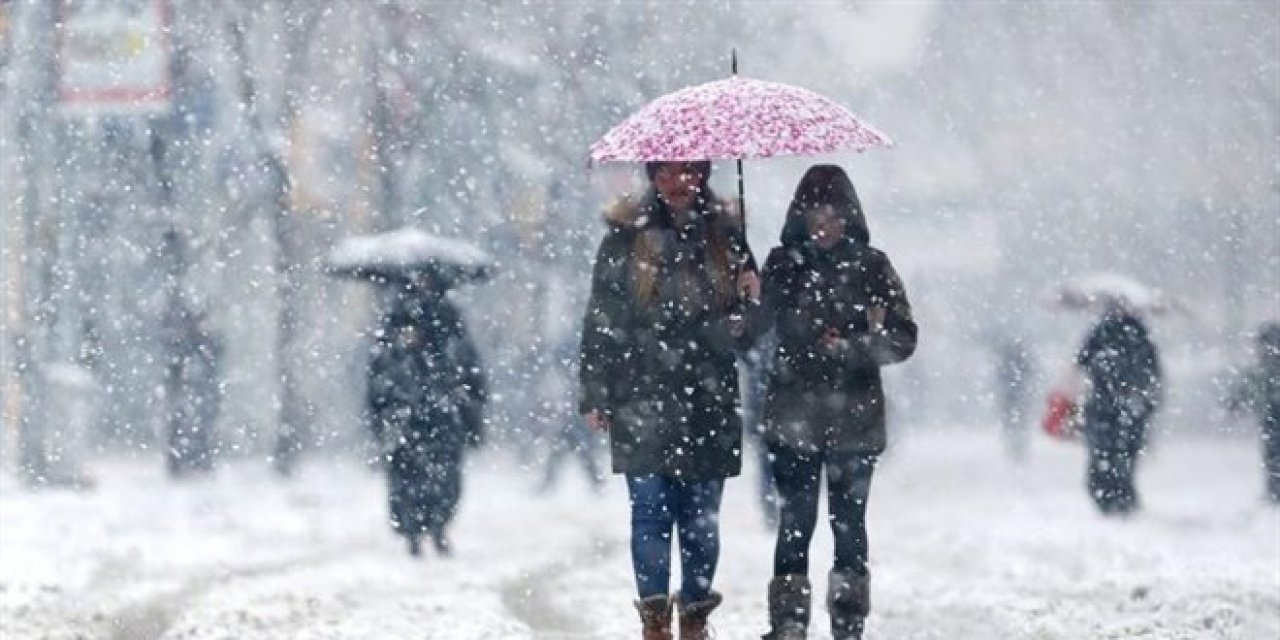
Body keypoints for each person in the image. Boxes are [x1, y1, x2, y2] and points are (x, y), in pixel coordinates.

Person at [579, 160, 758, 640]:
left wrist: (750, 302)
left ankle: (695, 613)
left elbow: (751, 330)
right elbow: (601, 320)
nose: (679, 183)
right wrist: (595, 390)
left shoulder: (728, 238)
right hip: (642, 393)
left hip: (709, 397)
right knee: (650, 510)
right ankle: (655, 620)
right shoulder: (623, 238)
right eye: (667, 173)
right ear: (652, 177)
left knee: (700, 518)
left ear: (703, 175)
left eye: (689, 173)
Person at [754, 165, 917, 640]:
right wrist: (749, 296)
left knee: (849, 526)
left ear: (849, 217)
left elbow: (903, 338)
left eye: (833, 215)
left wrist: (851, 347)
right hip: (793, 417)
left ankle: (848, 622)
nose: (824, 225)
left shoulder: (873, 267)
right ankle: (788, 622)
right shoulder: (783, 266)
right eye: (815, 215)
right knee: (794, 523)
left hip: (854, 421)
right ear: (800, 218)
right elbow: (750, 332)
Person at [367, 282, 487, 557]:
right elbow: (378, 388)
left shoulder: (448, 342)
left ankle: (434, 528)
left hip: (438, 423)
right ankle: (415, 530)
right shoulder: (393, 344)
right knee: (411, 482)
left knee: (438, 481)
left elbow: (471, 381)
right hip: (410, 425)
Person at [1074, 301, 1162, 516]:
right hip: (1127, 408)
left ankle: (1112, 497)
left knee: (1108, 455)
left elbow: (1081, 362)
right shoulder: (1140, 336)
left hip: (1109, 407)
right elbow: (1153, 374)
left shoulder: (1102, 334)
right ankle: (1120, 497)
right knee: (1122, 456)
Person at [1225, 322, 1280, 504]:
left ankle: (1274, 490)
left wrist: (1234, 404)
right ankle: (1274, 490)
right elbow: (1249, 387)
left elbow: (1248, 387)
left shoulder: (1263, 368)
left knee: (1272, 454)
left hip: (1270, 416)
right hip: (1270, 416)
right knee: (1272, 454)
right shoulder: (1263, 369)